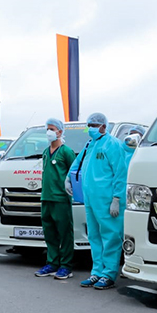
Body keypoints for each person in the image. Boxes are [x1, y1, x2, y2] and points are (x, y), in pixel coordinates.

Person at [66, 112, 128, 290]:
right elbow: (77, 163)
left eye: (94, 125)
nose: (90, 128)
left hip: (107, 199)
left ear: (103, 126)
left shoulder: (113, 144)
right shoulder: (90, 144)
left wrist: (117, 198)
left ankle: (108, 274)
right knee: (94, 235)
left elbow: (120, 173)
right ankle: (97, 272)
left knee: (110, 236)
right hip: (90, 199)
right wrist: (68, 179)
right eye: (89, 125)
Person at [34, 118, 77, 279]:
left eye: (52, 129)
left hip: (61, 198)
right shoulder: (46, 152)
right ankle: (52, 263)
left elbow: (74, 174)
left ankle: (66, 266)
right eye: (47, 129)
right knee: (49, 232)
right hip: (46, 197)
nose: (49, 132)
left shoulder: (66, 152)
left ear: (60, 131)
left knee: (65, 233)